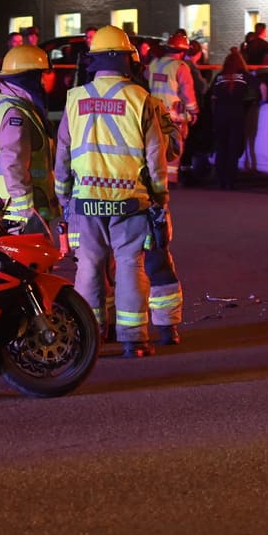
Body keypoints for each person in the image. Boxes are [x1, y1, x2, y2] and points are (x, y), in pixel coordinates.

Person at [54, 25, 169, 358]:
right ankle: (134, 340)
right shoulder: (140, 99)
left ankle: (89, 336)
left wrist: (64, 197)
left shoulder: (75, 99)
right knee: (130, 264)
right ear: (126, 60)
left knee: (88, 266)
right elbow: (155, 157)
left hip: (86, 201)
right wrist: (160, 198)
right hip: (130, 202)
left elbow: (62, 154)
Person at [0, 45, 61, 238]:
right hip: (20, 214)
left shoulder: (13, 104)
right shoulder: (16, 113)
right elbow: (13, 163)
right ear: (29, 78)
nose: (45, 82)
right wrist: (26, 211)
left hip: (16, 209)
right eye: (41, 76)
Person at [144, 32, 200, 186]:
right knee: (174, 148)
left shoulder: (154, 64)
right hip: (173, 116)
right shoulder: (181, 67)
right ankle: (170, 179)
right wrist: (194, 111)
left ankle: (155, 178)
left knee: (156, 147)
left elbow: (147, 78)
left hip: (154, 113)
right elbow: (187, 93)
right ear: (183, 51)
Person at [210, 48, 252, 191]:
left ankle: (220, 180)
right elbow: (259, 88)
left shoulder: (219, 77)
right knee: (233, 148)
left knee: (221, 147)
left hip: (220, 115)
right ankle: (230, 181)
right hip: (237, 114)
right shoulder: (244, 76)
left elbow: (211, 95)